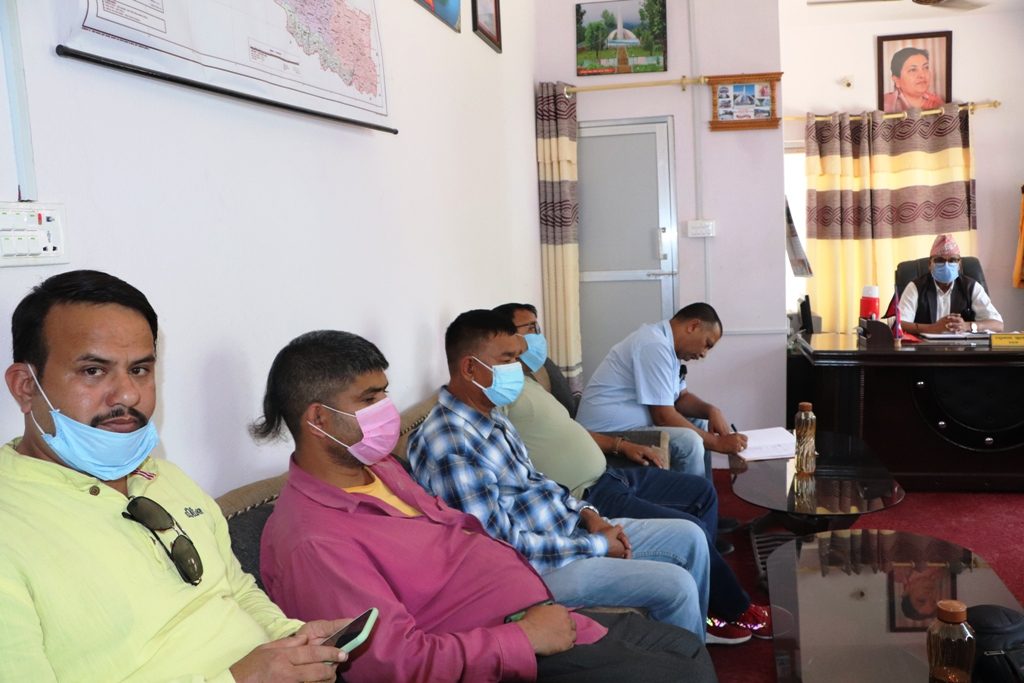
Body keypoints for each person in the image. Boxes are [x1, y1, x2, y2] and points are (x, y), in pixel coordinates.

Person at [254, 330, 718, 682]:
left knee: (684, 647)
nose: (387, 411)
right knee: (683, 669)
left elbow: (468, 526)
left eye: (385, 394)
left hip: (526, 604)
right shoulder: (313, 541)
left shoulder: (380, 469)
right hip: (500, 648)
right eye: (370, 399)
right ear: (318, 418)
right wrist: (522, 638)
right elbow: (393, 663)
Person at [0, 270, 350, 683]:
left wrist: (292, 640)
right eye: (93, 371)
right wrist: (239, 679)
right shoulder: (11, 525)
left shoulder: (164, 477)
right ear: (25, 386)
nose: (128, 394)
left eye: (139, 370)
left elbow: (236, 590)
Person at [408, 310, 711, 641]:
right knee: (676, 585)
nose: (517, 369)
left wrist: (589, 515)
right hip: (535, 571)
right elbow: (500, 546)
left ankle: (692, 642)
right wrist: (597, 544)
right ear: (469, 368)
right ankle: (686, 657)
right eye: (507, 360)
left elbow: (537, 481)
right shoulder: (452, 445)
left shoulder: (491, 416)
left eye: (517, 358)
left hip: (566, 531)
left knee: (691, 536)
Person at [492, 302, 771, 645]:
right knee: (692, 500)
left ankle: (709, 570)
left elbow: (574, 429)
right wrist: (717, 442)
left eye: (539, 327)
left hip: (608, 471)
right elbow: (663, 414)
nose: (539, 337)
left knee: (702, 493)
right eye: (530, 329)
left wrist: (620, 446)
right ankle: (728, 606)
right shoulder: (501, 394)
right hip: (589, 490)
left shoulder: (531, 383)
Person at [575, 303, 747, 480]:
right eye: (707, 344)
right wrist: (718, 443)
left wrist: (711, 411)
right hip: (603, 434)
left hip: (627, 427)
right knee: (690, 441)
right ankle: (697, 496)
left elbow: (681, 398)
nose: (704, 354)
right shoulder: (654, 345)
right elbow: (663, 416)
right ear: (693, 326)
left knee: (700, 423)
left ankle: (705, 491)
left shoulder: (668, 347)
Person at [899, 233, 1003, 335]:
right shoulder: (916, 287)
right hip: (925, 346)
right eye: (939, 260)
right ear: (930, 264)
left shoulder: (971, 287)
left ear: (959, 264)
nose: (946, 265)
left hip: (963, 346)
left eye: (953, 260)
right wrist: (933, 328)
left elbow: (998, 325)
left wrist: (968, 326)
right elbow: (899, 324)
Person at [882, 46, 945, 113]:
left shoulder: (937, 103)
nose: (922, 75)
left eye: (926, 67)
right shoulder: (885, 104)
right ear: (897, 80)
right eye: (913, 70)